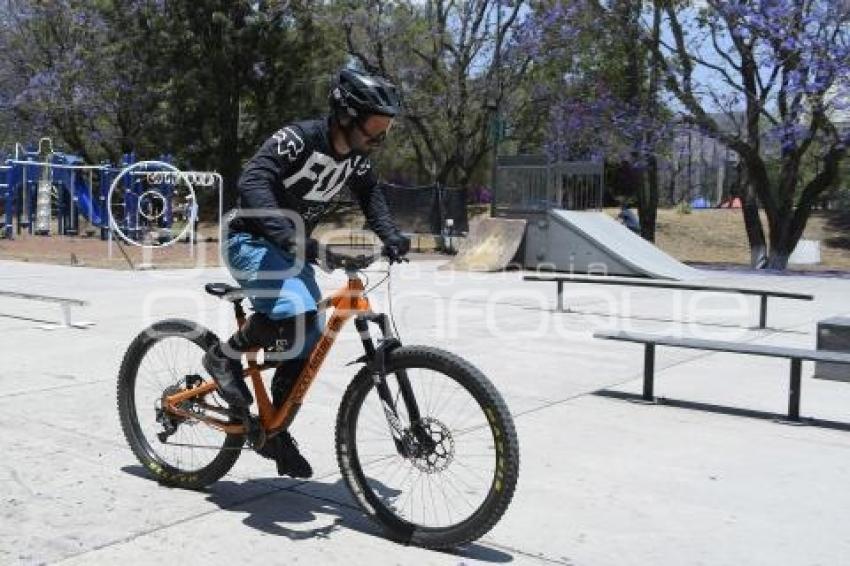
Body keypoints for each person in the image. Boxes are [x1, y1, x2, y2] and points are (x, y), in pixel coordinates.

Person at [203, 68, 411, 478]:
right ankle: (223, 358)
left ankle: (274, 429)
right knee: (298, 312)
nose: (379, 139)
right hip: (249, 239)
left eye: (385, 130)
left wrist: (391, 236)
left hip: (288, 249)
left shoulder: (357, 160)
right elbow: (253, 182)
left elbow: (371, 195)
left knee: (310, 334)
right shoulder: (299, 139)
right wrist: (298, 240)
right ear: (347, 115)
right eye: (374, 127)